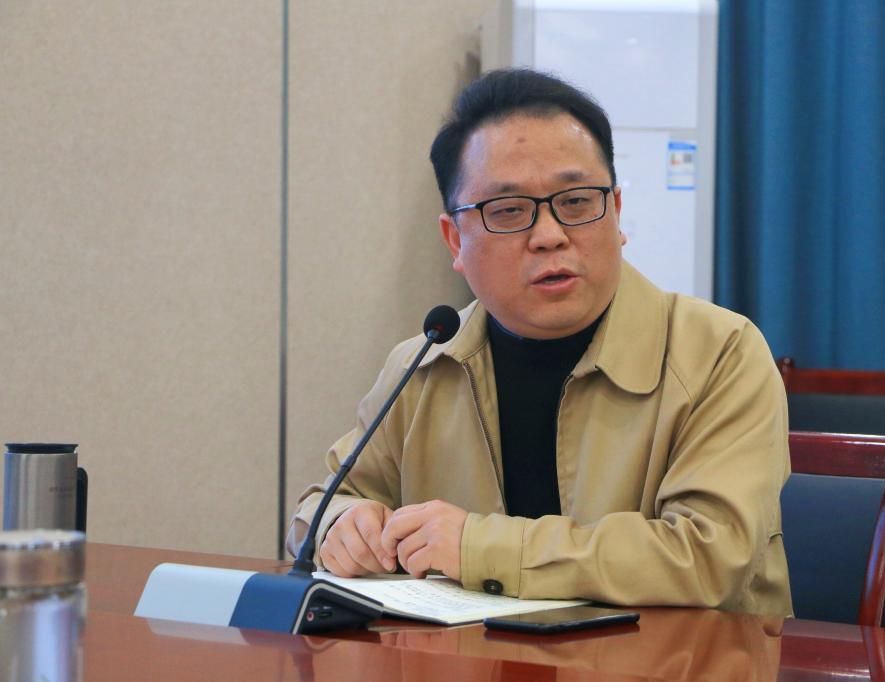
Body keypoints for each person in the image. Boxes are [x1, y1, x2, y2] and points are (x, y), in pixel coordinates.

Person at [289, 68, 792, 616]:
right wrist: (343, 527)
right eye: (508, 211)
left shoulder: (720, 353)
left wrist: (479, 548)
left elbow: (711, 557)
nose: (550, 235)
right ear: (455, 241)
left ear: (616, 212)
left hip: (679, 657)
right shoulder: (424, 363)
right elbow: (325, 505)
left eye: (576, 202)